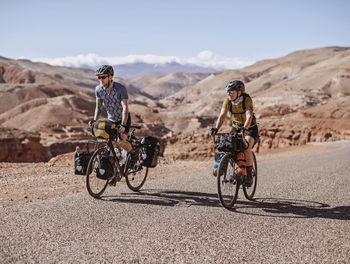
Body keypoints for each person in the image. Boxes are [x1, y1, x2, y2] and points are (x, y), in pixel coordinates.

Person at [210, 80, 259, 186]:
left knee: (246, 147)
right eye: (228, 92)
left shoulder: (246, 99)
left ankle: (249, 175)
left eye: (231, 92)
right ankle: (238, 170)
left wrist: (245, 128)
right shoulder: (227, 100)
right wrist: (216, 128)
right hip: (236, 127)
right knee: (230, 148)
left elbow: (249, 115)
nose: (229, 94)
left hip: (250, 128)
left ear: (239, 92)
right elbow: (222, 115)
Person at [90, 64, 133, 153]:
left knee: (121, 141)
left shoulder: (120, 89)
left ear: (110, 77)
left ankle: (133, 154)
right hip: (111, 120)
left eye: (103, 77)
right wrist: (94, 121)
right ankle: (113, 165)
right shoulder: (98, 90)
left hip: (124, 119)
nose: (101, 79)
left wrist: (123, 125)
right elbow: (98, 107)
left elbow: (125, 107)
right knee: (110, 143)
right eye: (99, 77)